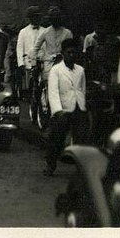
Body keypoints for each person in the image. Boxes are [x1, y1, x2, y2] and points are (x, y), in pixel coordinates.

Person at [43, 37, 88, 176]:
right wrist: (57, 111)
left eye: (74, 53)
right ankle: (51, 164)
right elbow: (53, 91)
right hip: (62, 109)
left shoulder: (80, 70)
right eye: (69, 52)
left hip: (78, 107)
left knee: (80, 139)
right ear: (63, 53)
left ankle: (80, 168)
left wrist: (83, 104)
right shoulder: (56, 70)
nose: (72, 55)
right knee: (56, 138)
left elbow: (82, 89)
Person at [15, 5, 43, 102]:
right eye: (34, 16)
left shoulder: (44, 31)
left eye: (38, 16)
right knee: (29, 83)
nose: (36, 19)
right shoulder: (23, 32)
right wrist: (21, 64)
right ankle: (28, 94)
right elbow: (19, 48)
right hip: (28, 61)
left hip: (41, 61)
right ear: (30, 18)